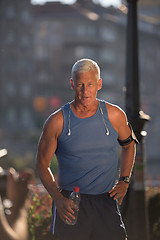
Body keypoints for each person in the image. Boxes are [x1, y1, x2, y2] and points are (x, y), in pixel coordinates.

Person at [36, 58, 137, 240]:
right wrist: (58, 199)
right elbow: (42, 165)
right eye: (80, 84)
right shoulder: (57, 121)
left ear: (99, 84)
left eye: (90, 84)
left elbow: (129, 145)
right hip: (70, 203)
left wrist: (125, 180)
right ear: (72, 84)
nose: (84, 91)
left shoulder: (115, 115)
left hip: (105, 201)